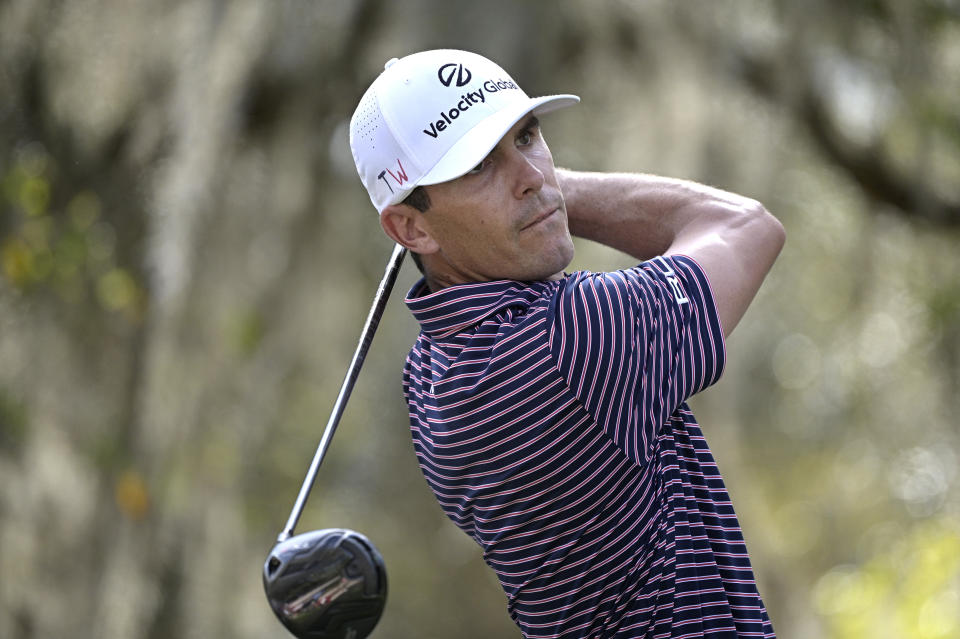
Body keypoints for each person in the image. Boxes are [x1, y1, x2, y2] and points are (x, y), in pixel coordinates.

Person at [349, 49, 785, 639]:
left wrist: (528, 196)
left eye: (527, 136)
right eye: (479, 165)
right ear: (410, 228)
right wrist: (554, 194)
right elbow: (745, 227)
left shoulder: (430, 373)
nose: (531, 174)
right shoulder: (570, 337)